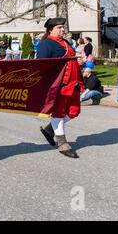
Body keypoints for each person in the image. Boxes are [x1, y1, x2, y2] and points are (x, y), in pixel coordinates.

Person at [37, 18, 84, 159]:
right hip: (59, 85)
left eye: (63, 27)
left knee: (74, 111)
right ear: (51, 30)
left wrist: (77, 60)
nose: (63, 30)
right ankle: (62, 143)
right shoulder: (45, 44)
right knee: (59, 113)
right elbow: (42, 67)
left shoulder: (66, 42)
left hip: (73, 82)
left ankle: (49, 129)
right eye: (59, 27)